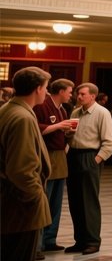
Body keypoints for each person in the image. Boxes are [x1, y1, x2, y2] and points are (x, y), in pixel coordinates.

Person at [0, 66, 51, 261]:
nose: (46, 92)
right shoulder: (20, 117)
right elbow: (21, 170)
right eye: (45, 87)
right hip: (18, 210)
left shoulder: (10, 109)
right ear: (37, 89)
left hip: (10, 208)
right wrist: (35, 199)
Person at [66, 82, 112, 255]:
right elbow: (71, 136)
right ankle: (79, 240)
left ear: (93, 96)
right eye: (78, 94)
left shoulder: (103, 113)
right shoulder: (75, 112)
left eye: (82, 94)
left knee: (89, 201)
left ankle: (93, 241)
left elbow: (109, 141)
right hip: (73, 156)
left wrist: (96, 160)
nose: (79, 97)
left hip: (90, 156)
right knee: (75, 201)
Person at [33, 77, 74, 252]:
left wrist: (67, 131)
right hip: (47, 155)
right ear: (61, 91)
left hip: (60, 157)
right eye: (70, 92)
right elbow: (37, 127)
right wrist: (58, 126)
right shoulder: (42, 106)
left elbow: (60, 130)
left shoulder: (63, 110)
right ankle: (39, 243)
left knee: (56, 202)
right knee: (46, 199)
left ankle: (50, 239)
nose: (71, 95)